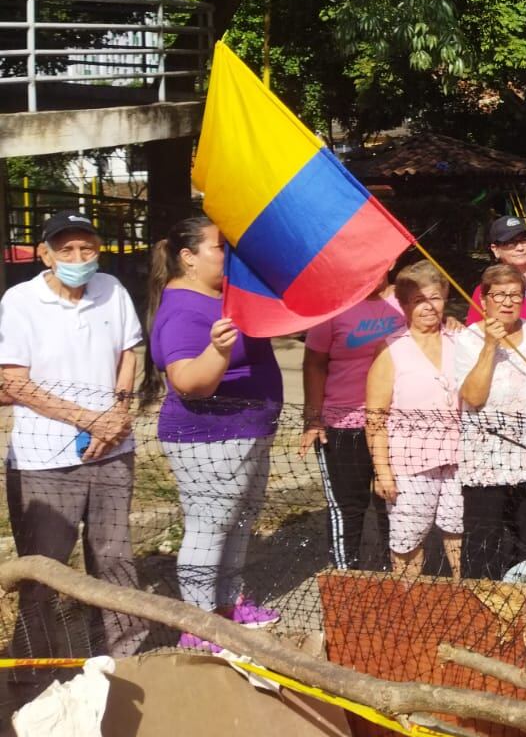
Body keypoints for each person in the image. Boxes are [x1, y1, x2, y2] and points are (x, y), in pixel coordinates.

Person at [1, 210, 147, 668]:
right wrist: (89, 418)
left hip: (112, 452)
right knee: (44, 571)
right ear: (44, 254)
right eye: (65, 249)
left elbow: (129, 354)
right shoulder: (20, 301)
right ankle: (37, 670)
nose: (78, 258)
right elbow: (14, 382)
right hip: (43, 461)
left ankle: (126, 659)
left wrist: (118, 413)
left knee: (116, 560)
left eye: (87, 248)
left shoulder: (112, 290)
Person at [148, 217, 284, 650]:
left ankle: (227, 606)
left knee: (238, 524)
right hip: (209, 437)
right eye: (219, 247)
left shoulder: (220, 296)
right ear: (188, 257)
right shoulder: (183, 309)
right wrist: (218, 350)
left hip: (246, 430)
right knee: (209, 528)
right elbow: (189, 381)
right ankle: (200, 625)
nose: (228, 257)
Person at [454, 263, 526, 580]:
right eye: (499, 294)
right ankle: (483, 618)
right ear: (484, 299)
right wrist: (490, 346)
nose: (507, 301)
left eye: (515, 295)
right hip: (487, 462)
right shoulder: (468, 339)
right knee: (483, 546)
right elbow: (473, 397)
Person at [299, 275, 403, 569]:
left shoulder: (406, 299)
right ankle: (347, 583)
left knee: (392, 505)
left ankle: (395, 577)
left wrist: (453, 323)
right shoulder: (333, 306)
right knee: (348, 508)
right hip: (342, 425)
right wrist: (313, 419)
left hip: (392, 425)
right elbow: (314, 363)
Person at [366, 263, 462, 579]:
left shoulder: (460, 340)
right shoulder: (391, 348)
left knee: (459, 533)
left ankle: (465, 599)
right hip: (409, 463)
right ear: (405, 305)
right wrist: (382, 472)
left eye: (434, 297)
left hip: (459, 459)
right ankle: (409, 608)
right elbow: (375, 419)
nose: (427, 307)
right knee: (408, 540)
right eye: (417, 300)